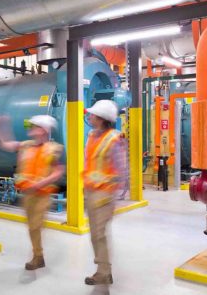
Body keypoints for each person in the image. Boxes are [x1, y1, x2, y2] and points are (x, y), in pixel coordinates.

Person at [0, 114, 65, 271]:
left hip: (42, 196)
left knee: (35, 227)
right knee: (32, 227)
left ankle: (38, 257)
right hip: (28, 195)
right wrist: (0, 127)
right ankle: (38, 255)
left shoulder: (53, 149)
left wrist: (41, 183)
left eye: (35, 127)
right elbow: (5, 144)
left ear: (43, 131)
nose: (31, 129)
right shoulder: (26, 145)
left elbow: (58, 171)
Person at [83, 100, 128, 286]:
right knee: (95, 235)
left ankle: (102, 273)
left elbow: (122, 170)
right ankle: (104, 271)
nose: (89, 116)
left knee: (99, 235)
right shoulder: (92, 135)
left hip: (105, 196)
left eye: (92, 114)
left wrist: (114, 196)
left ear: (101, 119)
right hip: (91, 192)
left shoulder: (114, 139)